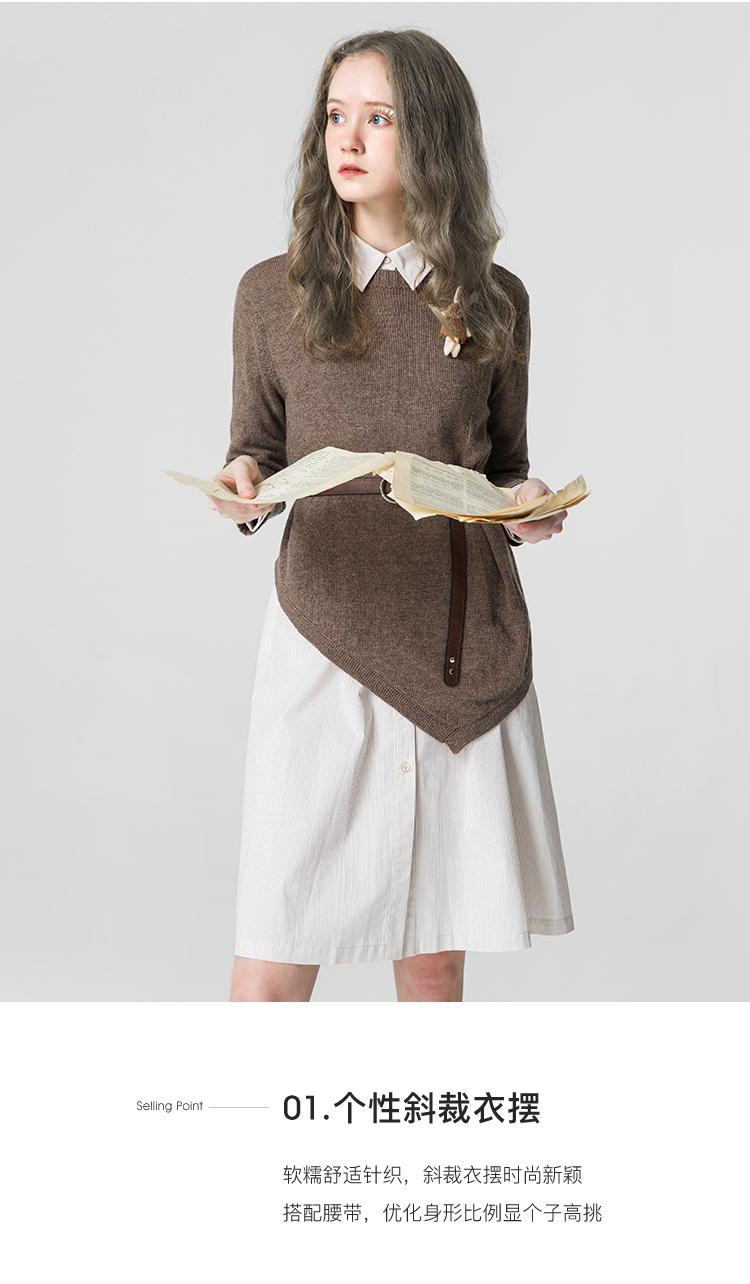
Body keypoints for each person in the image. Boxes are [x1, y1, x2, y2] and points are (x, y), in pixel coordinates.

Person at [207, 30, 573, 1002]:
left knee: (436, 958)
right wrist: (242, 481)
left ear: (434, 136)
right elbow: (256, 445)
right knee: (274, 958)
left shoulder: (496, 301)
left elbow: (504, 467)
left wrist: (525, 508)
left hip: (456, 641)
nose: (349, 137)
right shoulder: (270, 294)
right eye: (337, 115)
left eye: (379, 117)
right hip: (321, 636)